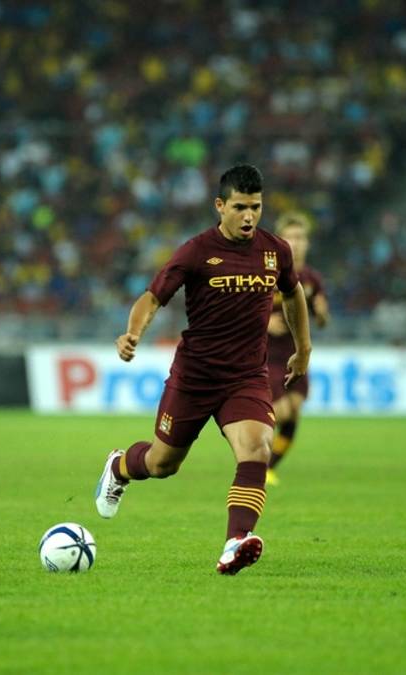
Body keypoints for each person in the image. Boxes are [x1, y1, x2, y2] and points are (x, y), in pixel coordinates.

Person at [93, 164, 312, 575]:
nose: (249, 216)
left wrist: (304, 348)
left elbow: (293, 292)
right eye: (240, 207)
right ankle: (119, 466)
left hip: (245, 377)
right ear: (220, 206)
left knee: (256, 448)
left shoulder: (275, 251)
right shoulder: (196, 252)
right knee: (162, 464)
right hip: (195, 377)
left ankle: (236, 542)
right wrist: (132, 333)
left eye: (256, 207)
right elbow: (152, 298)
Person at [264, 212, 330, 486]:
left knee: (294, 411)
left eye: (301, 237)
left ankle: (268, 467)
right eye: (290, 237)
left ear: (307, 242)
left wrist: (322, 314)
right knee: (281, 411)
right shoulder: (268, 273)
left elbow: (322, 320)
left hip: (297, 355)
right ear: (280, 240)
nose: (296, 242)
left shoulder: (312, 279)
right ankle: (249, 449)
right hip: (266, 356)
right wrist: (265, 320)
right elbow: (241, 308)